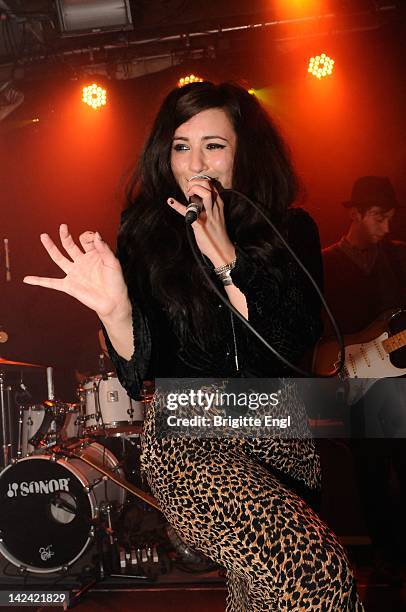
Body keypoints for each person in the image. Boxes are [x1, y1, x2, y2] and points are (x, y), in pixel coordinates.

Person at [24, 82, 363, 610]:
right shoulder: (145, 234)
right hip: (189, 437)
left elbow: (290, 344)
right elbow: (141, 373)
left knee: (264, 595)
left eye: (214, 145)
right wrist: (116, 310)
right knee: (318, 573)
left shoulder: (290, 227)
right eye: (181, 146)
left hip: (281, 433)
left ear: (243, 151)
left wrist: (228, 257)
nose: (195, 162)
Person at [322, 176, 406, 583]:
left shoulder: (399, 259)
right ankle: (383, 555)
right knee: (370, 474)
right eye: (379, 218)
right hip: (354, 384)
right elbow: (315, 332)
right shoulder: (326, 263)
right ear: (355, 214)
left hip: (400, 384)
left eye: (391, 219)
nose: (386, 228)